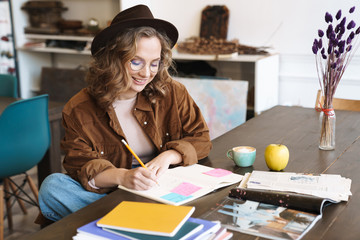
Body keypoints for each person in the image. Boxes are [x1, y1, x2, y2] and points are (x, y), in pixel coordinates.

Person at [37, 4, 212, 222]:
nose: (146, 73)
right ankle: (139, 221)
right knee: (53, 186)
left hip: (164, 184)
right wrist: (124, 177)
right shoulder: (79, 108)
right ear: (112, 59)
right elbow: (79, 165)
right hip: (113, 190)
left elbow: (201, 139)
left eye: (154, 63)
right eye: (136, 62)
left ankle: (124, 222)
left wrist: (169, 156)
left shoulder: (172, 92)